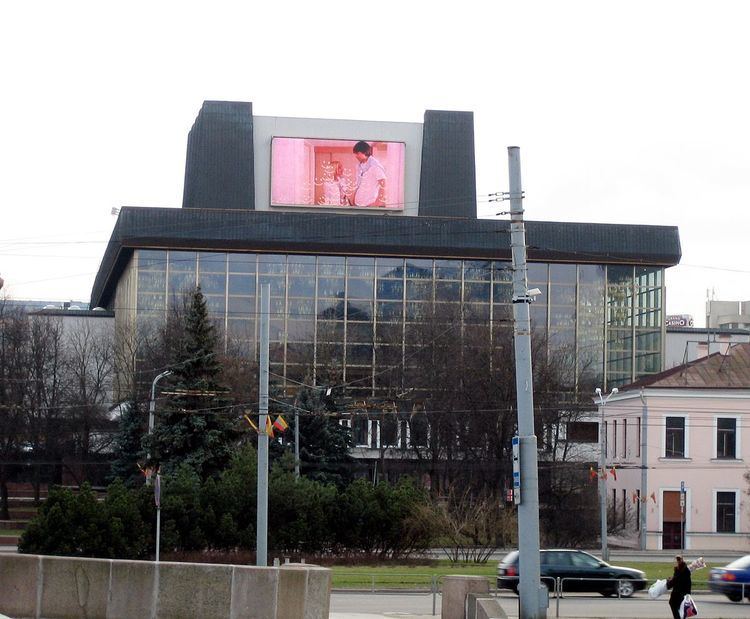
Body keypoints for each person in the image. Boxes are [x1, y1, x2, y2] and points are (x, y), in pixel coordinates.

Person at [350, 141, 386, 206]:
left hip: (369, 204)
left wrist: (377, 202)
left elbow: (384, 184)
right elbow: (358, 184)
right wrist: (353, 199)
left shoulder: (375, 166)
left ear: (365, 152)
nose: (356, 156)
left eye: (358, 153)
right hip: (358, 204)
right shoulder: (359, 167)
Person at [666, 555, 691, 619]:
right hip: (683, 593)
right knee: (680, 607)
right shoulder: (685, 570)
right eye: (677, 560)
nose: (678, 561)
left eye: (679, 560)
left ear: (681, 560)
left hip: (678, 593)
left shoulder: (680, 570)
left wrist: (668, 584)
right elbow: (687, 582)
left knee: (673, 604)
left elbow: (675, 580)